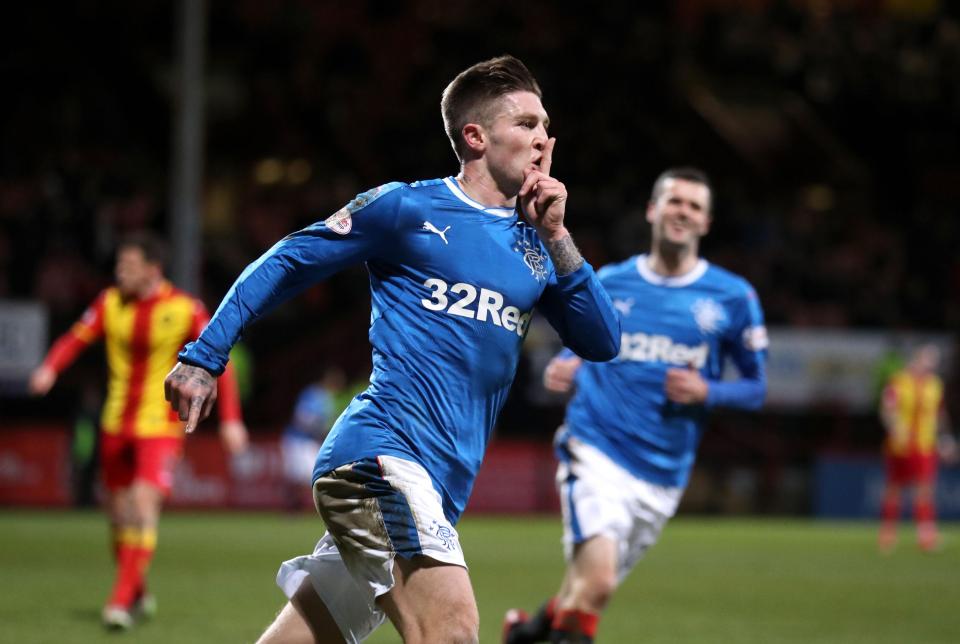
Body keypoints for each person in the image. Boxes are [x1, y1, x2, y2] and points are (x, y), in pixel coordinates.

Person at [163, 55, 620, 644]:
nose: (544, 139)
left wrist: (558, 235)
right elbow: (291, 258)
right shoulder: (408, 208)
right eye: (527, 123)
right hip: (379, 460)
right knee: (451, 631)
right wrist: (205, 355)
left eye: (545, 125)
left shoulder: (535, 244)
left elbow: (602, 341)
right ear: (475, 136)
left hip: (437, 487)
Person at [503, 167, 768, 644]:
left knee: (581, 591)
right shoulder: (612, 281)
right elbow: (583, 342)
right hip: (597, 448)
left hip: (663, 474)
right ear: (652, 210)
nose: (682, 212)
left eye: (693, 206)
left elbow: (755, 388)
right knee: (598, 584)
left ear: (706, 222)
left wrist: (710, 392)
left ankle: (524, 634)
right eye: (674, 201)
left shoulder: (733, 297)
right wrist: (568, 364)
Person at [29, 232, 249, 630]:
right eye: (118, 265)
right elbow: (75, 339)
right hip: (115, 422)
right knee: (118, 516)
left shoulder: (184, 308)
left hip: (159, 425)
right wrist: (49, 368)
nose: (119, 272)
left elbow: (222, 361)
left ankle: (118, 602)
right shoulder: (108, 303)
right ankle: (138, 588)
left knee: (143, 506)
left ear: (152, 268)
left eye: (127, 266)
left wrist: (231, 420)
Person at [877, 343, 956, 553]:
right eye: (927, 359)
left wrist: (945, 438)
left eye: (934, 360)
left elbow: (939, 414)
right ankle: (887, 534)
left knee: (924, 490)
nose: (931, 364)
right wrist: (896, 427)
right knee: (894, 489)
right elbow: (887, 409)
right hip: (900, 445)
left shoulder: (934, 385)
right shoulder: (899, 381)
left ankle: (925, 535)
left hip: (925, 445)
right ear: (917, 358)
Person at [280, 366, 348, 511]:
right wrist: (320, 426)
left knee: (309, 476)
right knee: (297, 477)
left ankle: (299, 506)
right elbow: (302, 418)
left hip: (311, 442)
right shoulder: (312, 394)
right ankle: (292, 506)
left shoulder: (329, 398)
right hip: (298, 440)